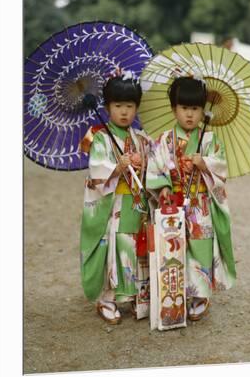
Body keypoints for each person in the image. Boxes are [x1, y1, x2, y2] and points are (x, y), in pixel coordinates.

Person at [146, 76, 236, 321]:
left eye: (195, 109)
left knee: (200, 246)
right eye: (184, 108)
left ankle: (200, 294)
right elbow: (155, 168)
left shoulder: (209, 140)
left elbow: (221, 169)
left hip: (200, 204)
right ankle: (179, 292)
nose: (189, 115)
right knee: (176, 247)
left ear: (202, 111)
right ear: (174, 108)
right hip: (174, 203)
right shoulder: (164, 140)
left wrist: (204, 162)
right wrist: (163, 187)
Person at [79, 75, 151, 325]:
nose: (124, 112)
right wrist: (117, 168)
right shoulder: (101, 137)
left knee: (135, 247)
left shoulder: (140, 137)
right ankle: (107, 298)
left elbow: (153, 168)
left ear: (136, 108)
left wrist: (144, 165)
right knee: (114, 248)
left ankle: (134, 295)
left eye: (130, 106)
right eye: (118, 105)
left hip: (136, 204)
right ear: (108, 107)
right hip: (113, 205)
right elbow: (96, 170)